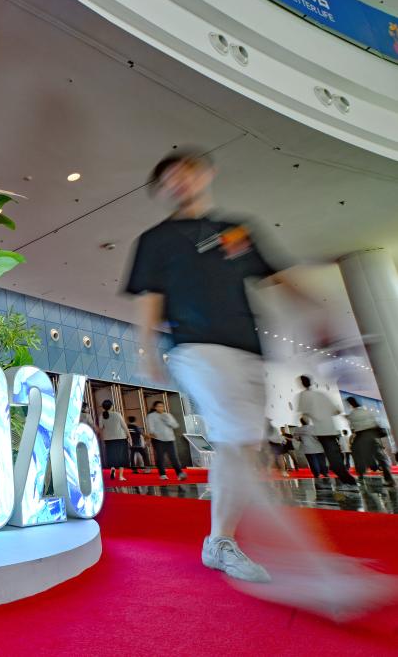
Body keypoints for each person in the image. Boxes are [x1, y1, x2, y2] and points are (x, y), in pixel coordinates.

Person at [124, 148, 393, 615]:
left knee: (242, 448)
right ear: (163, 190)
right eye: (169, 179)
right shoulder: (157, 240)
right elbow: (151, 297)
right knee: (237, 442)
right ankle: (311, 572)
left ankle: (220, 542)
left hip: (248, 353)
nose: (179, 182)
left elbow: (278, 276)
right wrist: (146, 348)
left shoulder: (237, 231)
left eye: (186, 172)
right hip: (196, 349)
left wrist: (318, 314)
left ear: (205, 174)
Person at [295, 376, 357, 486]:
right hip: (331, 429)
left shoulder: (303, 395)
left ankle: (345, 477)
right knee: (335, 455)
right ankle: (345, 476)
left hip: (321, 430)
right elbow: (336, 411)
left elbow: (304, 415)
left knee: (332, 457)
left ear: (302, 383)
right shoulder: (321, 394)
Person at [346, 397, 395, 486]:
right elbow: (374, 422)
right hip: (373, 434)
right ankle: (389, 479)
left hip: (362, 434)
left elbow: (353, 427)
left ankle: (361, 475)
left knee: (357, 453)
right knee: (380, 455)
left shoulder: (353, 414)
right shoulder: (366, 411)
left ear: (350, 404)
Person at [146, 401, 186, 481]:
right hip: (158, 440)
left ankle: (180, 474)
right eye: (158, 406)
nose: (160, 408)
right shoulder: (151, 416)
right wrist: (151, 436)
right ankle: (162, 474)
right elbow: (150, 427)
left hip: (170, 439)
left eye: (162, 406)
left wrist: (167, 419)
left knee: (174, 457)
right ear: (155, 407)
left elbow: (175, 425)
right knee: (160, 458)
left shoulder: (168, 415)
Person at [98, 399, 130, 481]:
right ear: (111, 406)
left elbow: (101, 428)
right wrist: (129, 436)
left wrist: (102, 439)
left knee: (112, 456)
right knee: (121, 456)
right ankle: (121, 476)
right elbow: (124, 426)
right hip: (120, 438)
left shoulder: (101, 416)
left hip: (108, 439)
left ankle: (112, 469)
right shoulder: (117, 414)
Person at [295, 415, 328, 480]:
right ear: (308, 421)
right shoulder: (313, 427)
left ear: (301, 422)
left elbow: (297, 438)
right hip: (318, 447)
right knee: (321, 461)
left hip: (307, 448)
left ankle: (316, 474)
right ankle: (325, 473)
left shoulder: (298, 429)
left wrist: (302, 439)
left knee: (312, 461)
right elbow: (319, 437)